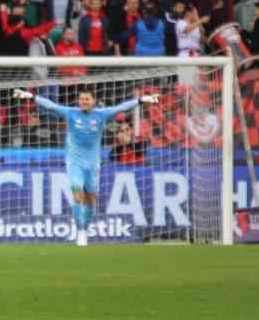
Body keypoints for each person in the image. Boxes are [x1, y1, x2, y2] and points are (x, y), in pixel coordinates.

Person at [15, 85, 160, 246]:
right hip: (74, 162)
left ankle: (86, 227)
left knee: (90, 199)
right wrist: (32, 97)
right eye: (81, 99)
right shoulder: (71, 113)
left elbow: (121, 107)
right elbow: (51, 105)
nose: (83, 101)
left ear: (93, 101)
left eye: (87, 99)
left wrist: (140, 100)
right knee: (77, 193)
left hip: (93, 164)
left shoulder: (101, 115)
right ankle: (81, 231)